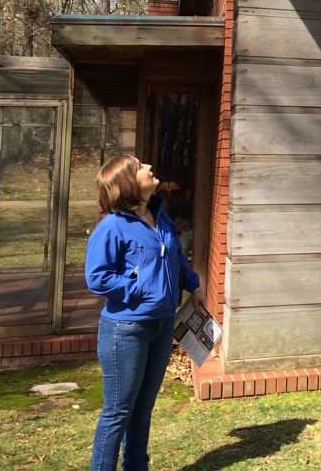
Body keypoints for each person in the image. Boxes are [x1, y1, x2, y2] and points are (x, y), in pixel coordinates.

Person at [85, 154, 204, 471]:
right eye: (139, 168)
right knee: (118, 412)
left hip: (163, 327)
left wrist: (194, 286)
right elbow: (98, 277)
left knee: (143, 408)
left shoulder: (160, 216)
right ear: (127, 184)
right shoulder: (112, 227)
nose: (149, 168)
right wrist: (141, 288)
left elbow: (176, 254)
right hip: (126, 330)